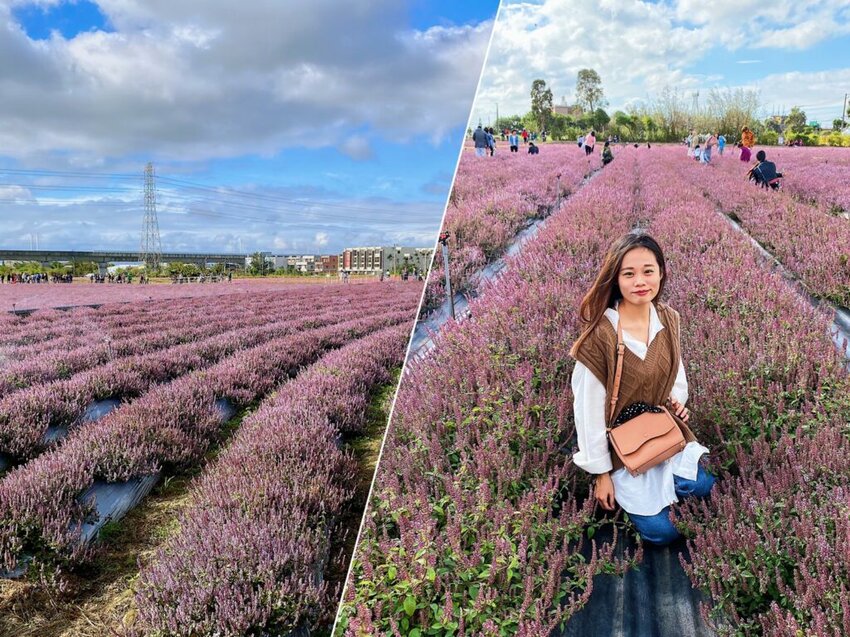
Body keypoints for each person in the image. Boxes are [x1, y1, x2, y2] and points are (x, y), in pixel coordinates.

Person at [569, 232, 714, 545]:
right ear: (615, 279)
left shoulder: (667, 318)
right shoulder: (600, 338)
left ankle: (670, 491)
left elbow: (675, 370)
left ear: (661, 273)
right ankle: (640, 502)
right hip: (625, 448)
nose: (640, 281)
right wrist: (601, 474)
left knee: (704, 486)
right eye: (629, 273)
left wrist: (677, 402)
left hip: (662, 431)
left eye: (648, 271)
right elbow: (587, 411)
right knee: (663, 534)